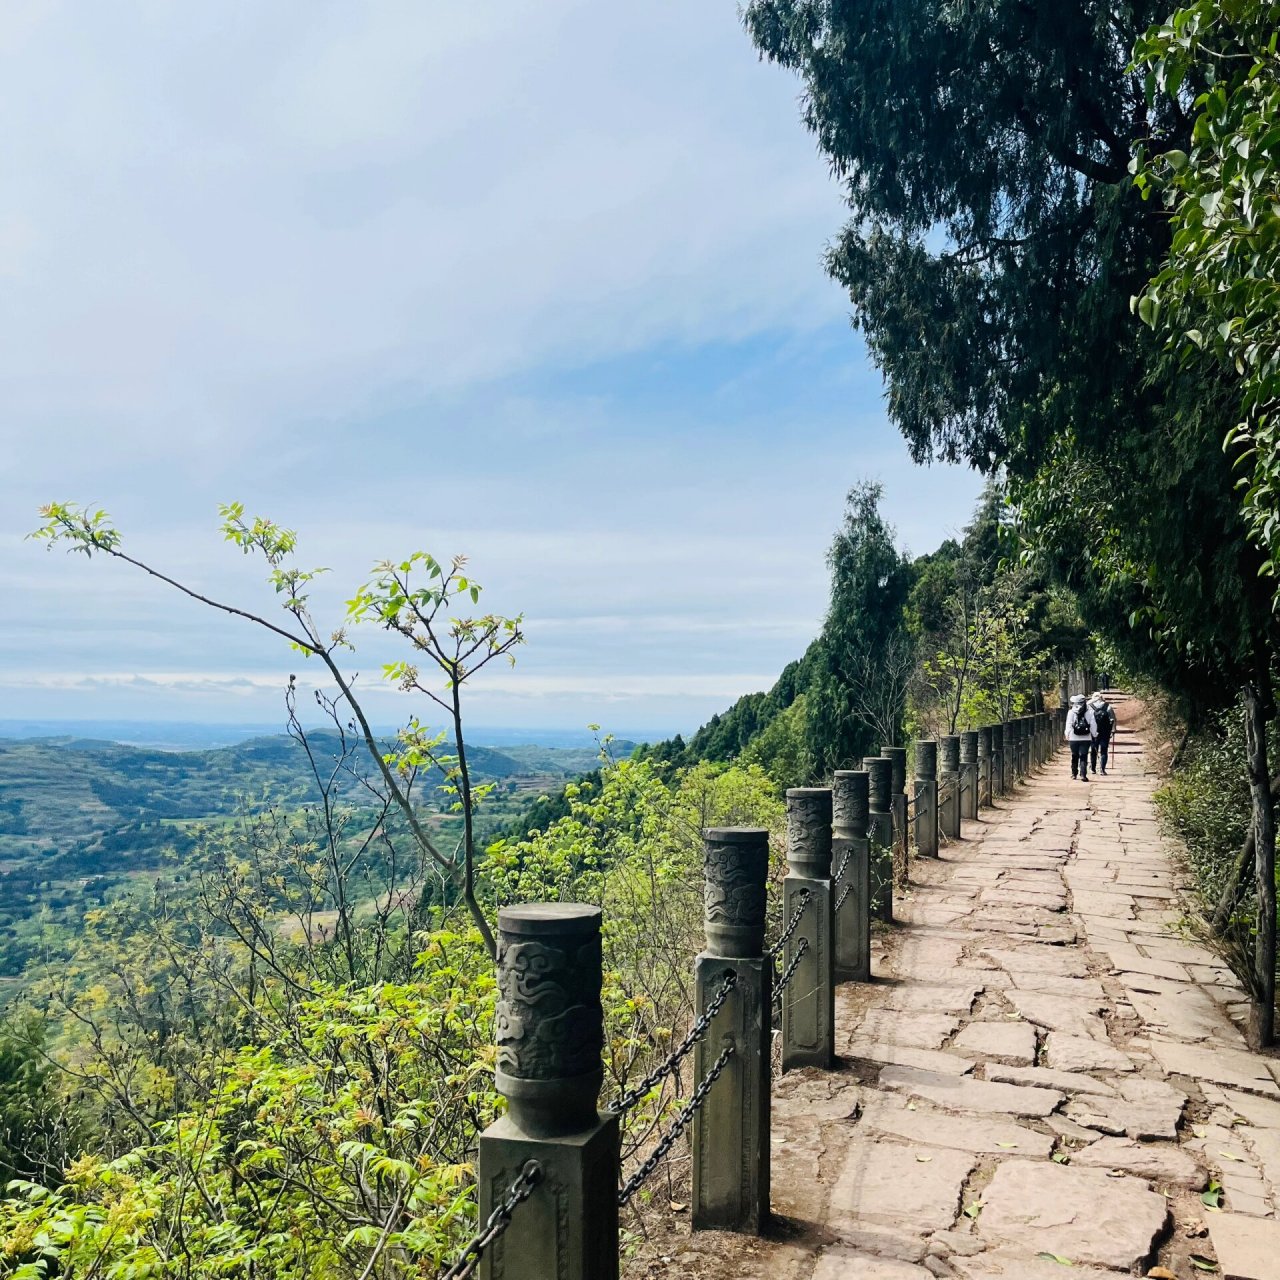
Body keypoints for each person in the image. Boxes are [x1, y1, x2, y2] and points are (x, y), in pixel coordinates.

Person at [1064, 692, 1096, 781]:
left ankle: (1074, 774)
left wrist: (1067, 734)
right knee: (1084, 756)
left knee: (1075, 755)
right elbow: (1093, 724)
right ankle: (1083, 775)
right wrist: (1094, 734)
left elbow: (1068, 724)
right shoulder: (1090, 712)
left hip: (1073, 738)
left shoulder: (1071, 712)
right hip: (1086, 738)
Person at [1089, 691, 1115, 776]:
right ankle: (1102, 769)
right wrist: (1113, 730)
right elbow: (1113, 719)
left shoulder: (1089, 706)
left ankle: (1093, 768)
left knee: (1093, 750)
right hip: (1105, 732)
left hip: (1093, 732)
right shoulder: (1108, 707)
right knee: (1104, 750)